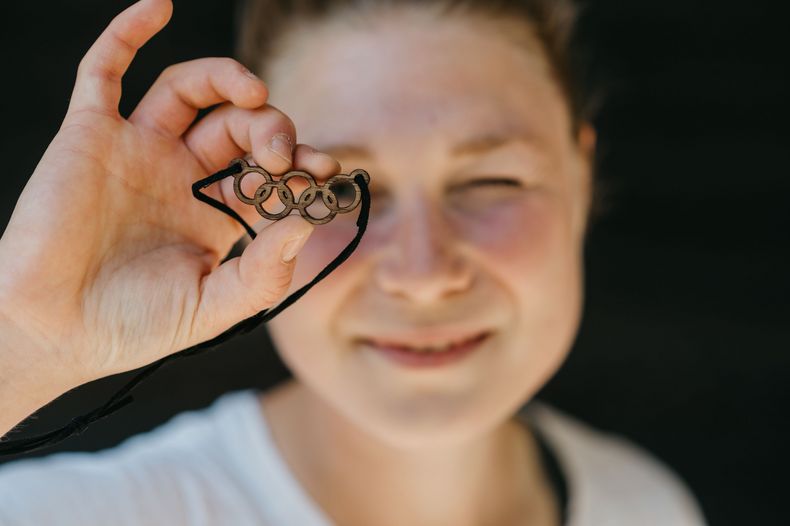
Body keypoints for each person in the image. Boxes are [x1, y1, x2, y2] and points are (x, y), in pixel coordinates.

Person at [0, 0, 707, 524]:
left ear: (580, 179)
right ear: (250, 203)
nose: (423, 274)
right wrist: (24, 341)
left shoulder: (645, 506)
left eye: (490, 182)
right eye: (337, 192)